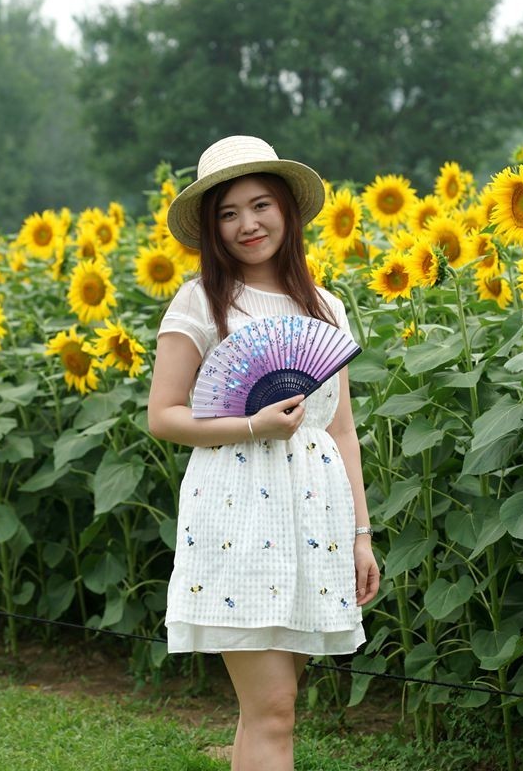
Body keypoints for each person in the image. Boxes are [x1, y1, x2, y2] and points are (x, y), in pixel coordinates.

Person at [147, 135, 380, 770]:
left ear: (287, 210)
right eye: (228, 213)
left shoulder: (326, 307)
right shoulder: (201, 301)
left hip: (314, 516)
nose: (247, 224)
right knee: (274, 707)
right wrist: (253, 426)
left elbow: (340, 431)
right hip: (238, 513)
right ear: (212, 229)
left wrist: (360, 534)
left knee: (271, 711)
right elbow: (163, 416)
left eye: (260, 205)